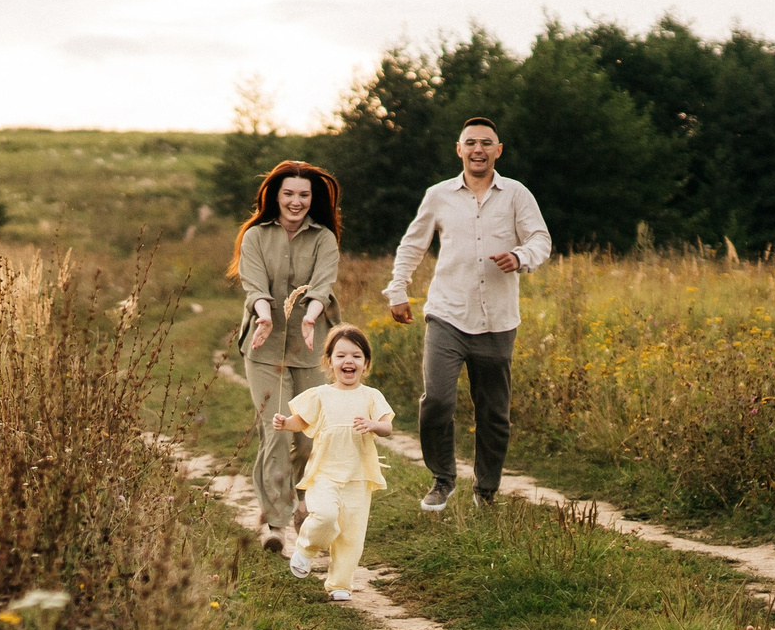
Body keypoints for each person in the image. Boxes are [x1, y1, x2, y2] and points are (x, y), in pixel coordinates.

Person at [384, 117, 551, 508]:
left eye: (486, 143)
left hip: (497, 320)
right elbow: (412, 245)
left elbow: (540, 239)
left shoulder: (516, 194)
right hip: (447, 314)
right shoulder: (438, 195)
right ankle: (442, 478)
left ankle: (486, 490)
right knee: (437, 401)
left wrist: (519, 255)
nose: (478, 149)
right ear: (459, 149)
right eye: (471, 142)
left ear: (499, 150)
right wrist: (397, 289)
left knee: (494, 413)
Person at [229, 160, 342, 550]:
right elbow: (254, 285)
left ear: (313, 199)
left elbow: (323, 286)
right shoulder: (256, 237)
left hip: (311, 348)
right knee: (275, 431)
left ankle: (298, 498)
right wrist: (263, 316)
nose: (296, 202)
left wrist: (310, 318)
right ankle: (276, 524)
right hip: (264, 347)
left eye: (304, 195)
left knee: (309, 436)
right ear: (274, 196)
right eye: (289, 194)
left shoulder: (324, 238)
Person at [274, 324, 393, 601]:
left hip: (358, 476)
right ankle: (305, 548)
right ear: (329, 362)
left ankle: (340, 584)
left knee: (351, 535)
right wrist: (285, 423)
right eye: (341, 356)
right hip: (325, 473)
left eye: (356, 356)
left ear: (366, 363)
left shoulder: (372, 396)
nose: (348, 361)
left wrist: (374, 424)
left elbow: (387, 428)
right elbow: (301, 422)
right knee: (326, 517)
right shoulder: (320, 395)